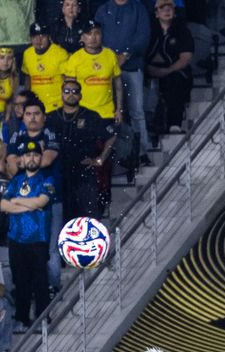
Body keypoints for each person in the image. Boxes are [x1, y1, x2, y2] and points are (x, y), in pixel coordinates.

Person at [0, 140, 54, 326]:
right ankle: (22, 317)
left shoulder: (47, 178)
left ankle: (43, 316)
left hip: (38, 238)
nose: (32, 158)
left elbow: (41, 202)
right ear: (22, 158)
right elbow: (3, 205)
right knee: (20, 280)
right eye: (28, 155)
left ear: (40, 157)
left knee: (40, 279)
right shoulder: (16, 180)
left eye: (36, 155)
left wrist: (17, 200)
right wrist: (28, 204)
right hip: (15, 238)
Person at [46, 77, 114, 219]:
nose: (71, 94)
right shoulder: (51, 117)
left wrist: (100, 159)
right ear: (61, 94)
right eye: (67, 91)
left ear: (80, 95)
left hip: (83, 172)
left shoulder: (90, 116)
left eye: (75, 91)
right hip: (59, 172)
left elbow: (111, 136)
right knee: (62, 217)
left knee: (89, 215)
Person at [96, 0, 149, 157]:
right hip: (107, 71)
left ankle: (142, 152)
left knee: (137, 112)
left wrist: (125, 54)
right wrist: (111, 58)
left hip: (132, 67)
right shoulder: (103, 10)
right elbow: (95, 35)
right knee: (112, 113)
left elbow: (143, 36)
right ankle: (118, 155)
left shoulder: (138, 8)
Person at [146, 0, 192, 135]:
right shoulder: (149, 31)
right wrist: (150, 69)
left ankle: (174, 123)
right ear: (156, 13)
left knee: (175, 82)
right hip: (149, 71)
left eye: (170, 7)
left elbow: (186, 57)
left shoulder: (182, 31)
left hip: (174, 71)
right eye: (162, 8)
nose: (167, 11)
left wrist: (167, 70)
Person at [64, 19, 122, 122]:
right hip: (83, 111)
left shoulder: (110, 55)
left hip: (106, 111)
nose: (93, 37)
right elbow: (69, 88)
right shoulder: (75, 58)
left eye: (97, 33)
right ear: (82, 37)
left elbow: (118, 84)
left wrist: (119, 109)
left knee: (109, 137)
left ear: (102, 35)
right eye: (89, 33)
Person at [24, 21, 69, 112]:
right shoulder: (27, 54)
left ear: (49, 37)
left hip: (57, 106)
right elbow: (27, 77)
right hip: (36, 106)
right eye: (35, 37)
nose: (38, 40)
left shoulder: (60, 53)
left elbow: (68, 79)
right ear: (30, 39)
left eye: (42, 36)